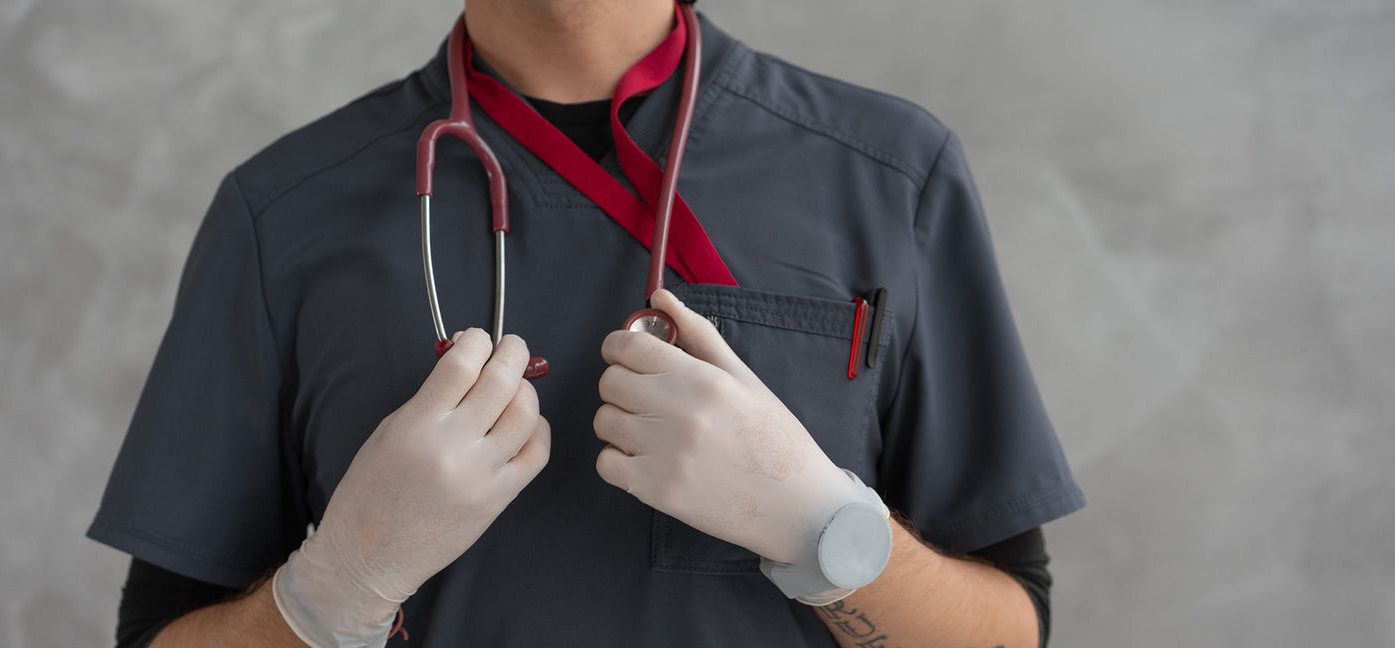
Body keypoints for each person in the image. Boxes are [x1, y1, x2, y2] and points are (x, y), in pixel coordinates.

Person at [87, 0, 1085, 646]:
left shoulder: (890, 180)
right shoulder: (285, 215)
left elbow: (1011, 625)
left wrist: (824, 531)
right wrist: (331, 591)